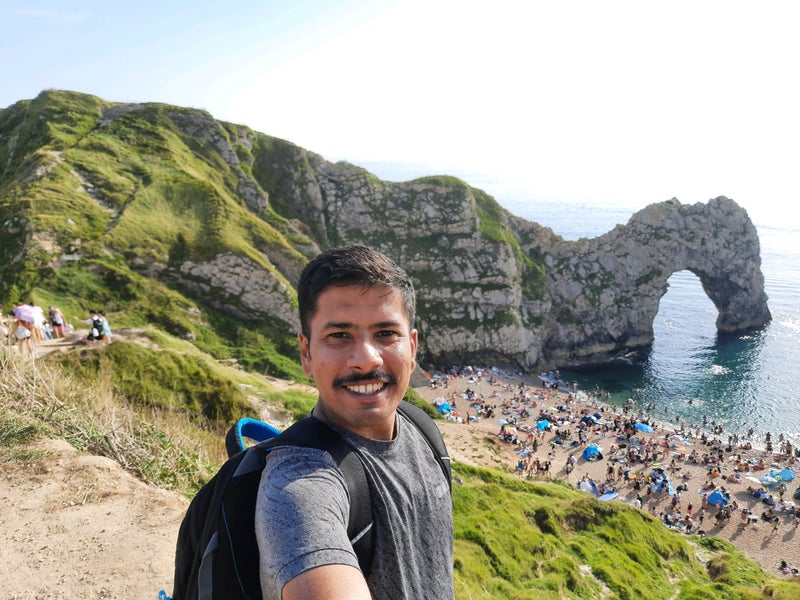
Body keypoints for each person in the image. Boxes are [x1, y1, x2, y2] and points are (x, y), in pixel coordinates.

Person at [255, 244, 455, 600]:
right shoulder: (297, 485)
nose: (366, 358)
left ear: (412, 348)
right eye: (339, 336)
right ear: (306, 354)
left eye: (385, 333)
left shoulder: (423, 429)